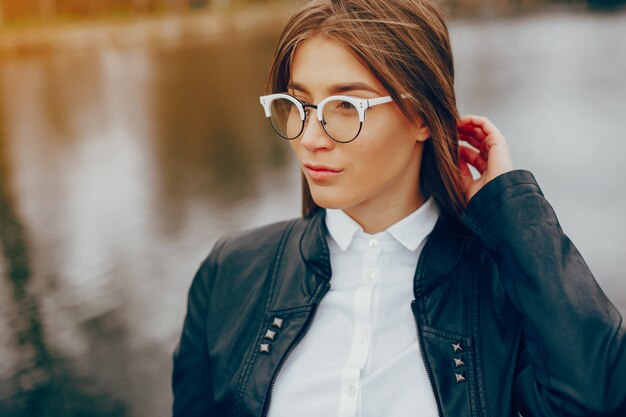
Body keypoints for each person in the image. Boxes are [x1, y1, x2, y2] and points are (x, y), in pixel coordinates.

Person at [171, 0, 626, 416]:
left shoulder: (505, 290)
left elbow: (595, 398)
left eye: (346, 105)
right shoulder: (230, 273)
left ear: (423, 117)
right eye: (300, 104)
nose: (311, 137)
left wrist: (509, 208)